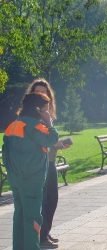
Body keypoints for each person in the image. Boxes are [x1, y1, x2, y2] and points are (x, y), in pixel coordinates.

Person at [2, 93, 59, 250]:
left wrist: (13, 174)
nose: (47, 113)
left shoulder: (12, 126)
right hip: (33, 181)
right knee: (33, 218)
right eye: (46, 109)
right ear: (38, 109)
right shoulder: (36, 127)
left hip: (16, 180)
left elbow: (5, 154)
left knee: (19, 215)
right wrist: (49, 122)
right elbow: (51, 139)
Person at [26, 78, 71, 247]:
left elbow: (48, 141)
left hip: (50, 162)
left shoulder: (46, 116)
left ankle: (45, 232)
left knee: (52, 200)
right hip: (38, 166)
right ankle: (41, 238)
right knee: (43, 202)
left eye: (44, 93)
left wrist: (58, 145)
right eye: (37, 92)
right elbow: (36, 141)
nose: (41, 95)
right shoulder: (30, 118)